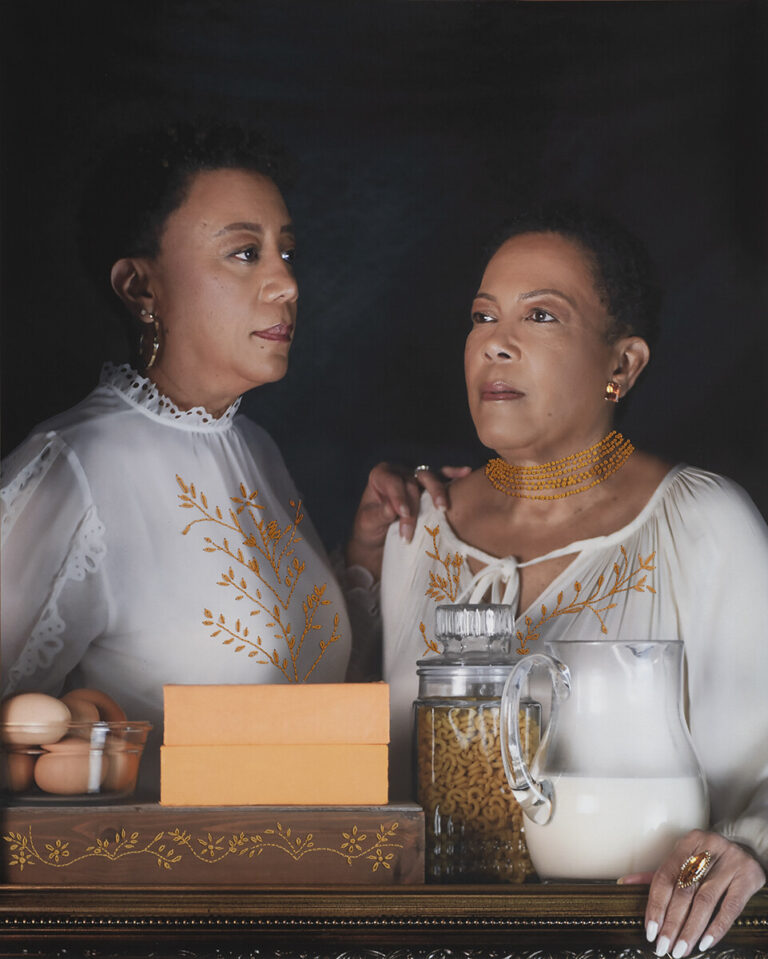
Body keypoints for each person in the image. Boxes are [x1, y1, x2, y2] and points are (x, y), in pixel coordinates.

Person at [0, 121, 451, 789]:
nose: (286, 285)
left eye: (286, 254)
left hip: (313, 872)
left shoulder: (254, 447)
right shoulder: (73, 468)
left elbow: (308, 698)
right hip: (168, 888)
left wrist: (362, 555)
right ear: (140, 288)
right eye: (244, 253)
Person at [381, 206, 767, 953]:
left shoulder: (703, 523)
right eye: (483, 315)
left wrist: (749, 849)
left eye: (541, 315)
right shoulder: (416, 526)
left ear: (622, 365)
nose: (495, 341)